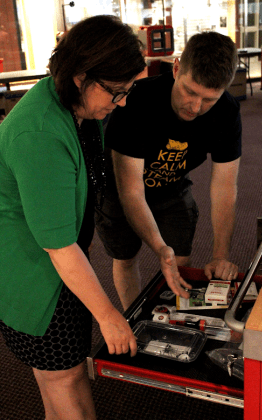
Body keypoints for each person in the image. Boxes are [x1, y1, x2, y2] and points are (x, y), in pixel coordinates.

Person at [0, 15, 146, 420]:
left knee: (66, 377)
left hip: (58, 264)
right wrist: (109, 316)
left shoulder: (76, 107)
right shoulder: (41, 132)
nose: (123, 102)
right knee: (63, 380)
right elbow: (59, 246)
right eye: (117, 92)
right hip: (33, 273)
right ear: (82, 76)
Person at [95, 31, 241, 311]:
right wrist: (159, 247)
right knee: (126, 259)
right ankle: (133, 317)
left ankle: (175, 317)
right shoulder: (136, 103)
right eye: (190, 92)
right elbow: (132, 191)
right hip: (118, 189)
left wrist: (220, 255)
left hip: (172, 186)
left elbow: (225, 185)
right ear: (176, 69)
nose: (196, 107)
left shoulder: (227, 112)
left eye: (209, 99)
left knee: (179, 258)